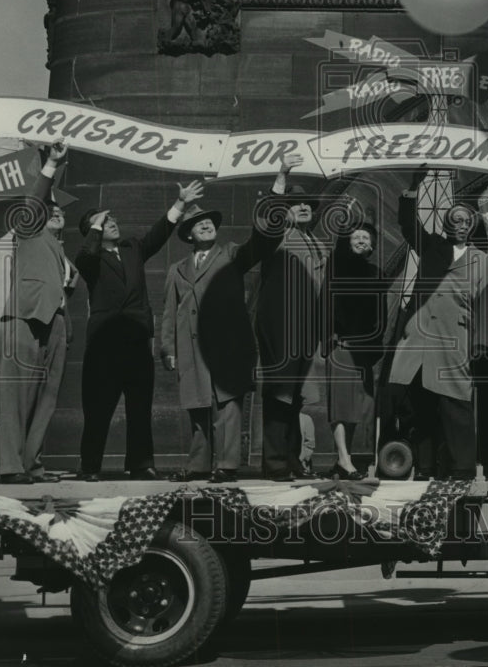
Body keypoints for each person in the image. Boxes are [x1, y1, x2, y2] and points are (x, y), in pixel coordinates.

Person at [160, 162, 294, 484]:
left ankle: (227, 466)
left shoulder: (232, 255)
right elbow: (169, 311)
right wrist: (168, 348)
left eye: (208, 222)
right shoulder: (176, 269)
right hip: (191, 349)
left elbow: (262, 241)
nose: (205, 225)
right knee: (198, 409)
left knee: (227, 407)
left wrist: (279, 184)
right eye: (197, 223)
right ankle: (198, 466)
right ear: (188, 233)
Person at [74, 179, 203, 481]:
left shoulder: (131, 248)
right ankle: (90, 466)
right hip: (104, 345)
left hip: (135, 340)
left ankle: (140, 463)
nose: (112, 224)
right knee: (98, 407)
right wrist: (94, 226)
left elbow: (158, 234)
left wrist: (181, 203)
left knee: (139, 406)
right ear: (92, 232)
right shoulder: (89, 258)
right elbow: (85, 257)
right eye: (105, 223)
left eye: (112, 219)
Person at [388, 171, 488, 480]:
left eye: (465, 221)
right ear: (447, 225)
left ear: (472, 226)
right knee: (420, 408)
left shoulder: (483, 262)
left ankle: (461, 469)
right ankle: (424, 468)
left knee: (455, 407)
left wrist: (480, 348)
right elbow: (409, 226)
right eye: (455, 220)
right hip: (420, 343)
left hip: (455, 343)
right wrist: (413, 187)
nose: (460, 225)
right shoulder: (432, 246)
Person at [0, 140, 77, 484]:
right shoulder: (28, 229)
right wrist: (52, 164)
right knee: (15, 395)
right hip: (25, 320)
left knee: (46, 398)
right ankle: (10, 467)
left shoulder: (61, 253)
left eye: (61, 210)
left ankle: (31, 464)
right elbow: (34, 201)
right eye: (50, 207)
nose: (56, 212)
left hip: (56, 324)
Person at [254, 159, 328, 482]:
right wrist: (281, 178)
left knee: (295, 399)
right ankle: (275, 464)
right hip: (281, 329)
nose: (302, 207)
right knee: (278, 395)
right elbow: (265, 219)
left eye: (307, 204)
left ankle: (293, 461)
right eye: (294, 204)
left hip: (306, 334)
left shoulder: (320, 245)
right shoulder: (278, 236)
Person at [322, 206, 384, 480]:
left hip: (364, 353)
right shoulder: (339, 267)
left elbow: (380, 315)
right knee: (341, 406)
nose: (361, 241)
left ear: (372, 246)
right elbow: (340, 252)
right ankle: (345, 459)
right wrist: (346, 221)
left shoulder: (376, 273)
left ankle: (341, 461)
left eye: (366, 238)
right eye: (356, 237)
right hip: (342, 348)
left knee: (358, 408)